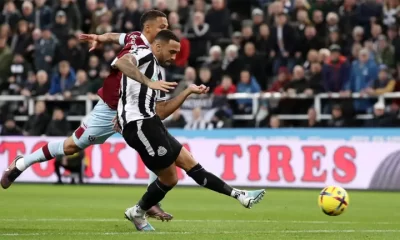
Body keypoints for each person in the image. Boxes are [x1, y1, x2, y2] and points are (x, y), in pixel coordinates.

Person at [1, 10, 176, 221]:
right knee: (72, 146)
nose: (166, 30)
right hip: (109, 109)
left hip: (132, 111)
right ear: (148, 28)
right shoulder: (138, 45)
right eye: (162, 26)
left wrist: (101, 38)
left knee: (155, 146)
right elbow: (123, 62)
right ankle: (23, 162)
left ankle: (151, 203)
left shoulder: (144, 46)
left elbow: (115, 36)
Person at [115, 29, 265, 231]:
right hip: (138, 124)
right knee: (170, 178)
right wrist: (147, 83)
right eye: (172, 51)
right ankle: (138, 212)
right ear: (158, 46)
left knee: (191, 164)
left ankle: (240, 195)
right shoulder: (144, 54)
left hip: (152, 122)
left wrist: (187, 92)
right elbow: (121, 62)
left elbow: (161, 111)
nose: (175, 57)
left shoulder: (159, 71)